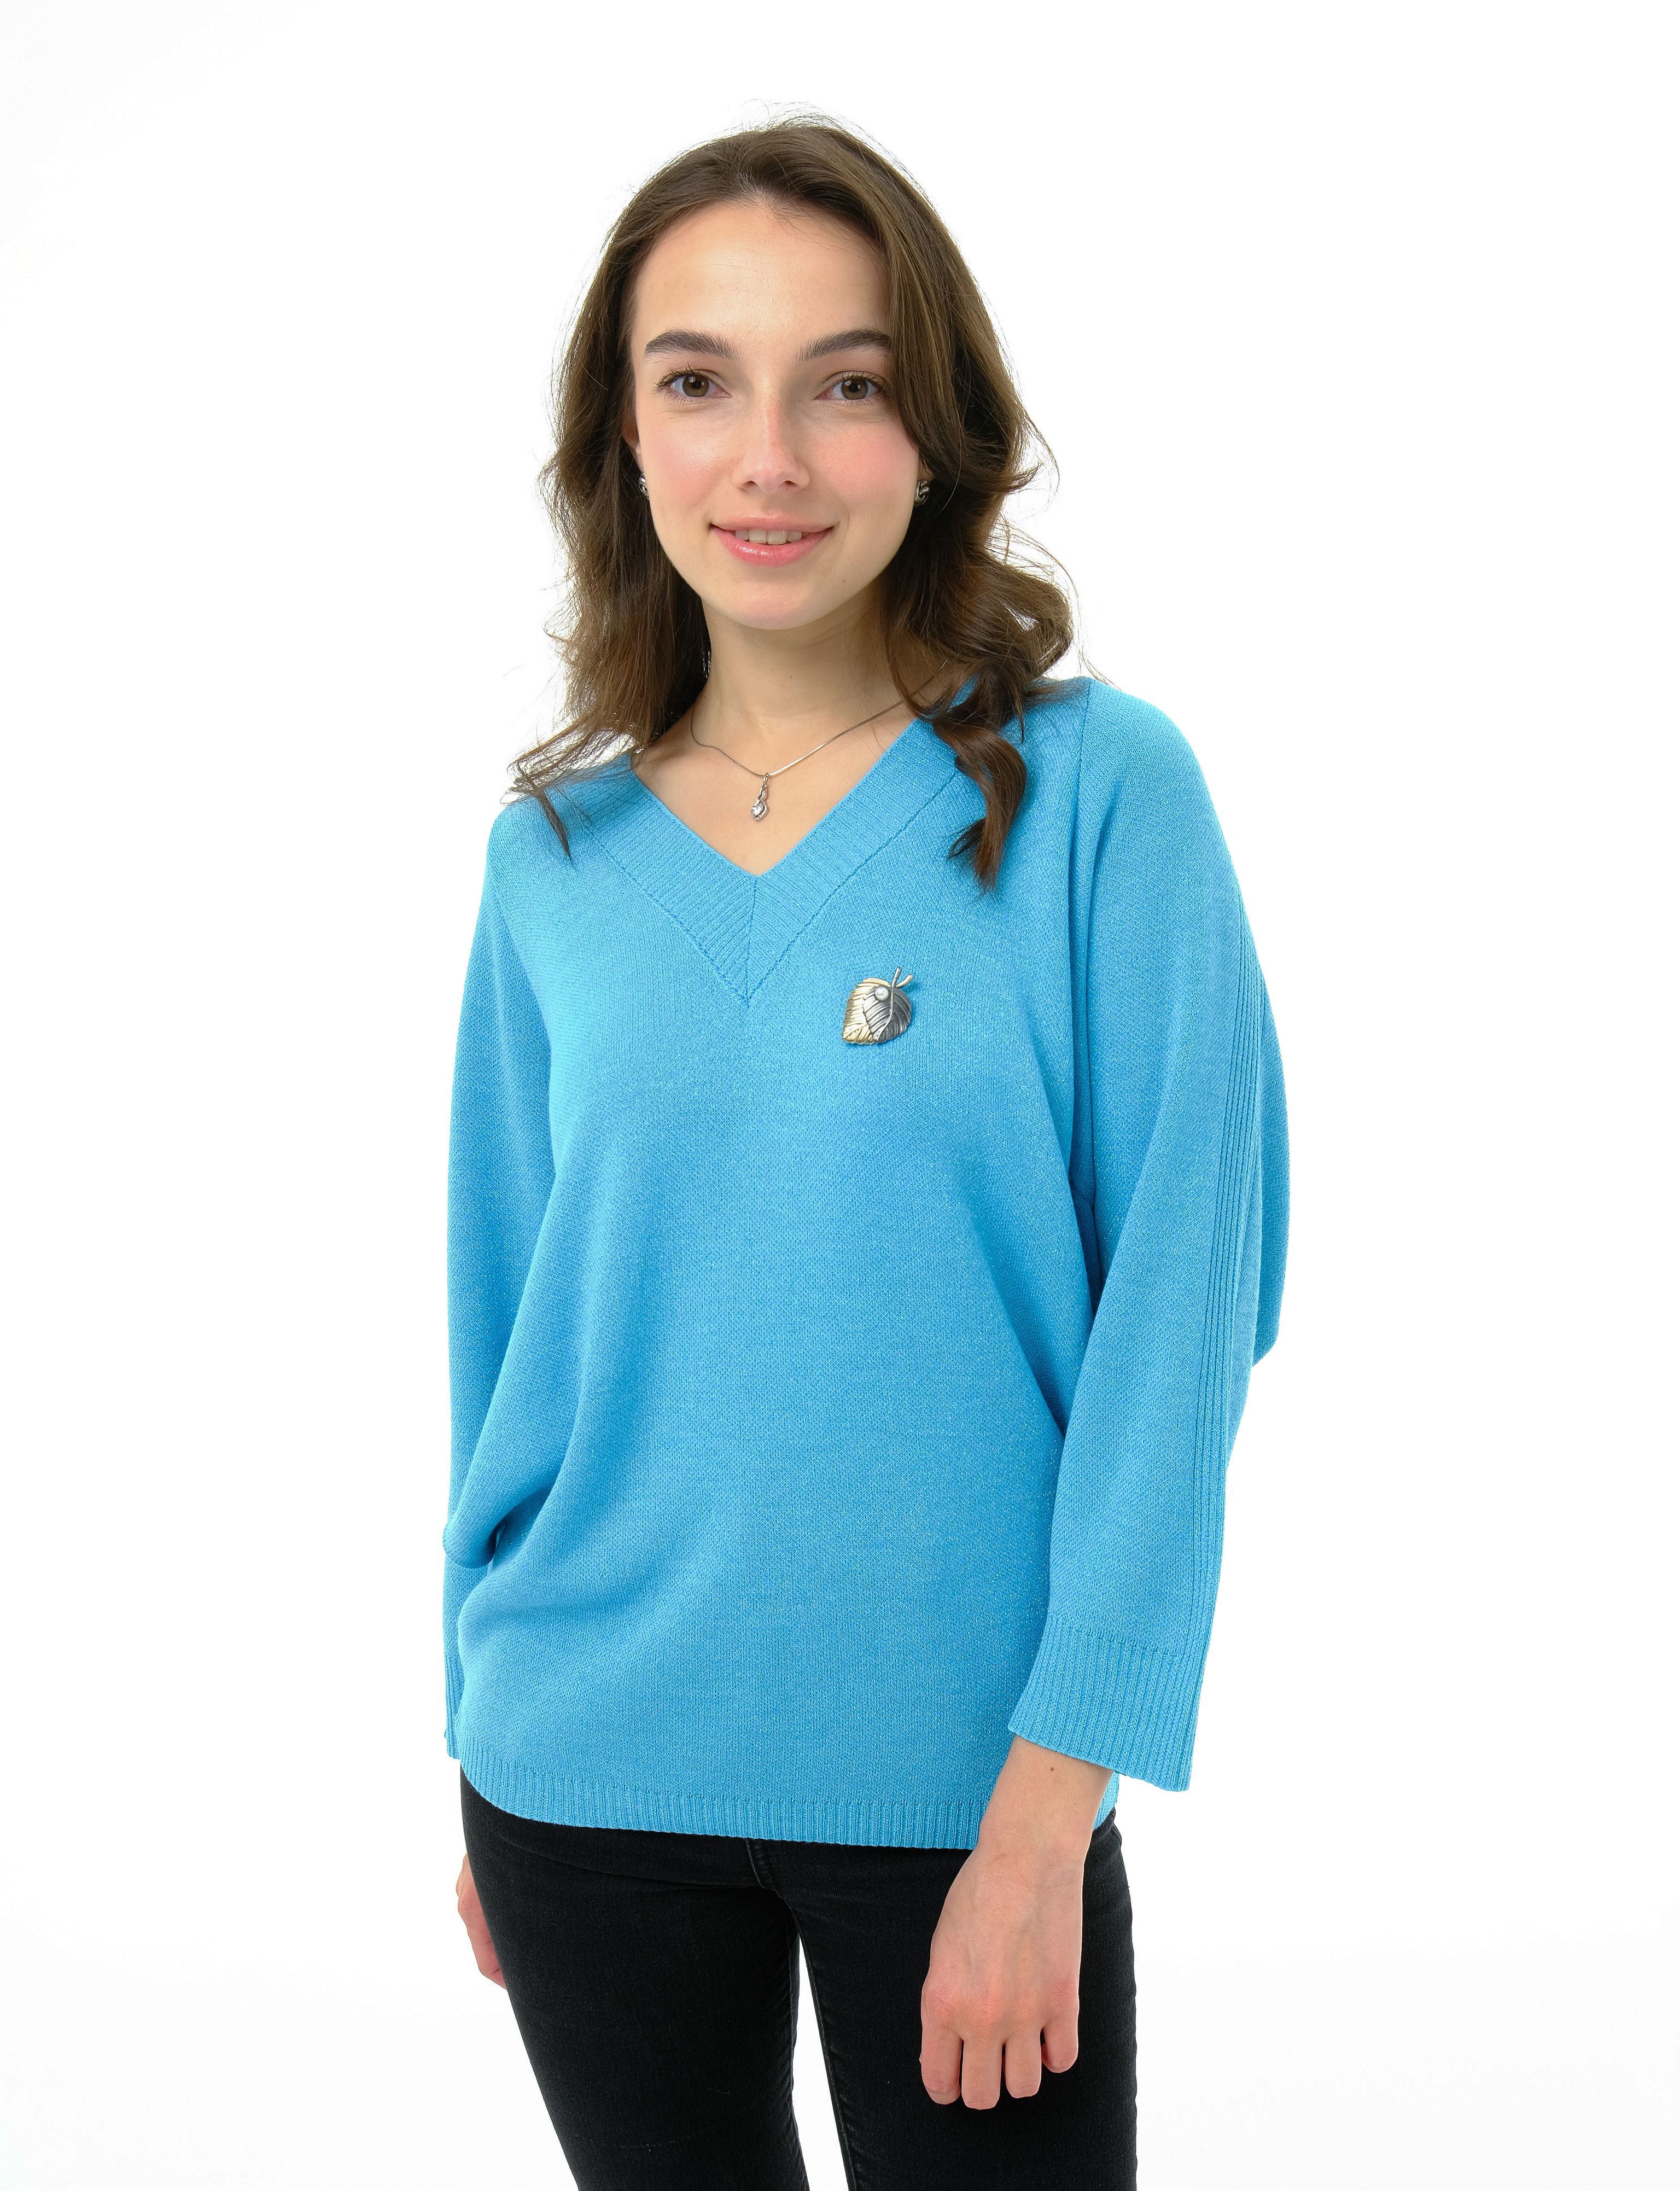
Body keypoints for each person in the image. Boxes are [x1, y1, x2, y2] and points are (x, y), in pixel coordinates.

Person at [442, 115, 1288, 2189]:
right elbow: (507, 1325)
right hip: (579, 1776)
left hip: (969, 1792)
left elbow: (1186, 1312)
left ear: (938, 430)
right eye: (698, 381)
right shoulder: (554, 859)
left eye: (846, 383)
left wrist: (1052, 1809)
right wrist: (477, 1725)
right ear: (625, 437)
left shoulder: (1099, 797)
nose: (771, 460)